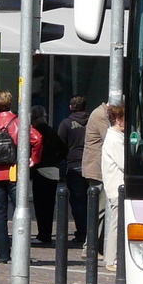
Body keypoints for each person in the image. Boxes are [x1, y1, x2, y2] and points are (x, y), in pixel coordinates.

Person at [0, 91, 42, 264]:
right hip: (15, 171)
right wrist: (33, 159)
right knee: (20, 212)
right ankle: (21, 254)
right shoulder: (19, 122)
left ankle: (2, 255)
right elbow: (37, 138)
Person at [30, 106, 67, 246]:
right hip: (53, 171)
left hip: (40, 171)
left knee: (40, 206)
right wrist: (55, 161)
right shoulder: (52, 131)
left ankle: (43, 235)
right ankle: (46, 233)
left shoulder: (36, 132)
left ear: (34, 118)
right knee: (50, 205)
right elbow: (64, 149)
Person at [57, 96, 89, 244]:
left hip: (74, 164)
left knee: (77, 202)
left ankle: (82, 233)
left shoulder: (66, 124)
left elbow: (60, 145)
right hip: (91, 164)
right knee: (93, 200)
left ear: (71, 107)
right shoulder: (92, 122)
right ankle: (93, 232)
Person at [81, 101, 110, 254]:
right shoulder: (101, 115)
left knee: (102, 209)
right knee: (100, 209)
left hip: (100, 168)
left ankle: (96, 247)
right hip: (97, 169)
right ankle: (90, 247)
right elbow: (110, 139)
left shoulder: (103, 113)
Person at [101, 103, 125, 274]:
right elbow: (124, 163)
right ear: (118, 119)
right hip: (117, 188)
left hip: (117, 187)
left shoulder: (118, 137)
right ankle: (112, 259)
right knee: (116, 224)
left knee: (118, 223)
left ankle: (114, 257)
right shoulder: (114, 139)